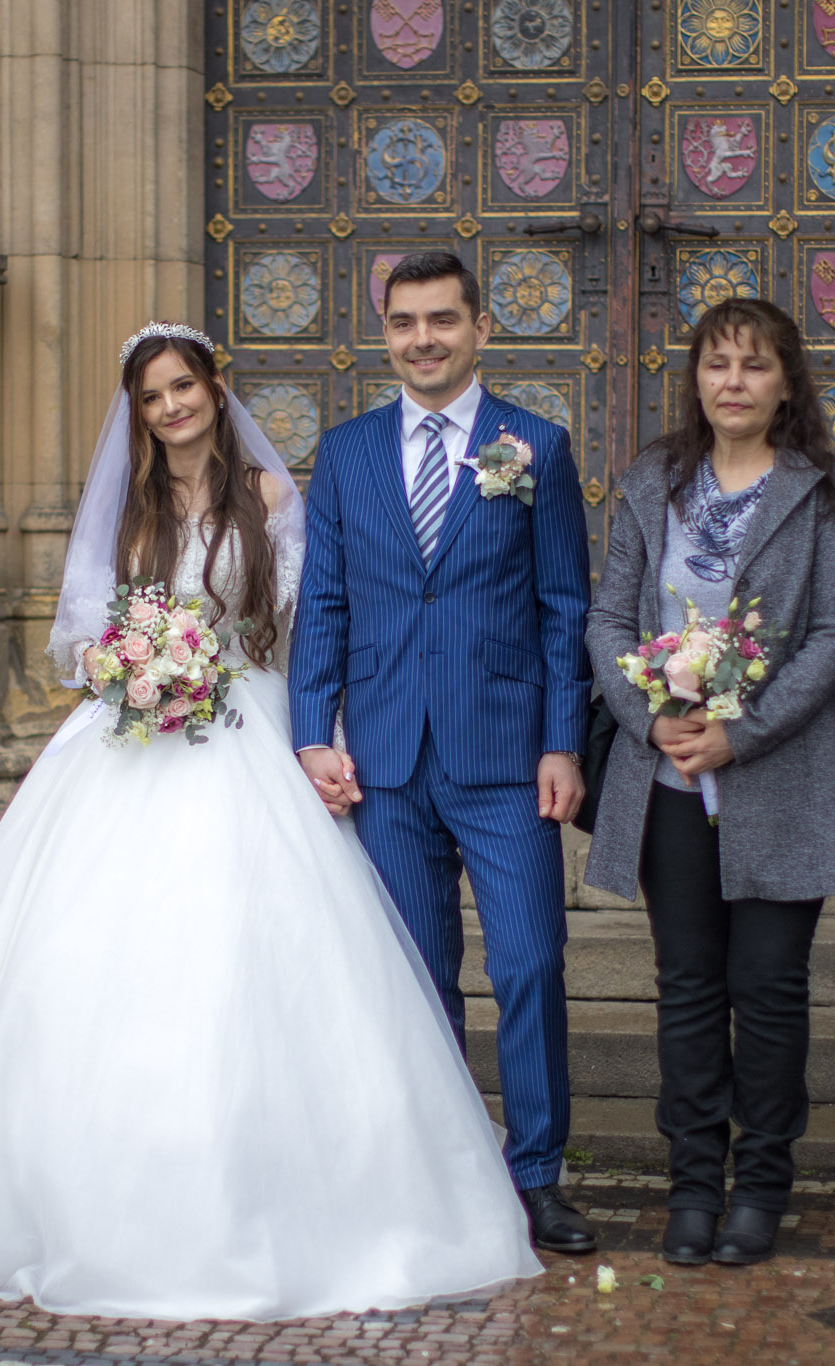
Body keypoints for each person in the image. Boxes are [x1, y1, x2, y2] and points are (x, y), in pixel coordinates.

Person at [0, 322, 541, 1320]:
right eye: (152, 396)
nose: (171, 407)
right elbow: (83, 636)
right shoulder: (130, 509)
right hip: (134, 736)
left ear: (214, 387)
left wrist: (319, 733)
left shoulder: (271, 498)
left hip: (247, 721)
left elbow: (309, 626)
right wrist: (132, 664)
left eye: (182, 387)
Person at [288, 251, 597, 1254]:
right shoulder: (346, 453)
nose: (422, 339)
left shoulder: (535, 445)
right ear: (385, 333)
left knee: (529, 962)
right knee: (417, 975)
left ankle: (537, 1172)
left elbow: (563, 607)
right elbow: (323, 602)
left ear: (479, 328)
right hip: (384, 758)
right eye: (404, 322)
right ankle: (441, 1169)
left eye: (442, 319)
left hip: (505, 751)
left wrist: (562, 742)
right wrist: (309, 731)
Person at [582, 298, 835, 1267]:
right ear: (696, 379)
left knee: (770, 988)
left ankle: (761, 1188)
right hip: (667, 778)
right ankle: (694, 1186)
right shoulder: (650, 483)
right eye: (716, 364)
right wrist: (648, 717)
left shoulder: (825, 493)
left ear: (786, 382)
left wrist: (740, 733)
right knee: (688, 988)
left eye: (754, 365)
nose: (733, 382)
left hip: (780, 777)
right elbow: (607, 620)